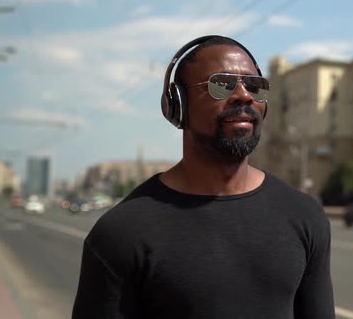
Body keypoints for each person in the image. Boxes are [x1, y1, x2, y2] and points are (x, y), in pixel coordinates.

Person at [72, 35, 335, 319]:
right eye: (221, 85)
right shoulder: (121, 232)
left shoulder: (304, 215)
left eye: (255, 86)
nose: (244, 95)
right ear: (178, 105)